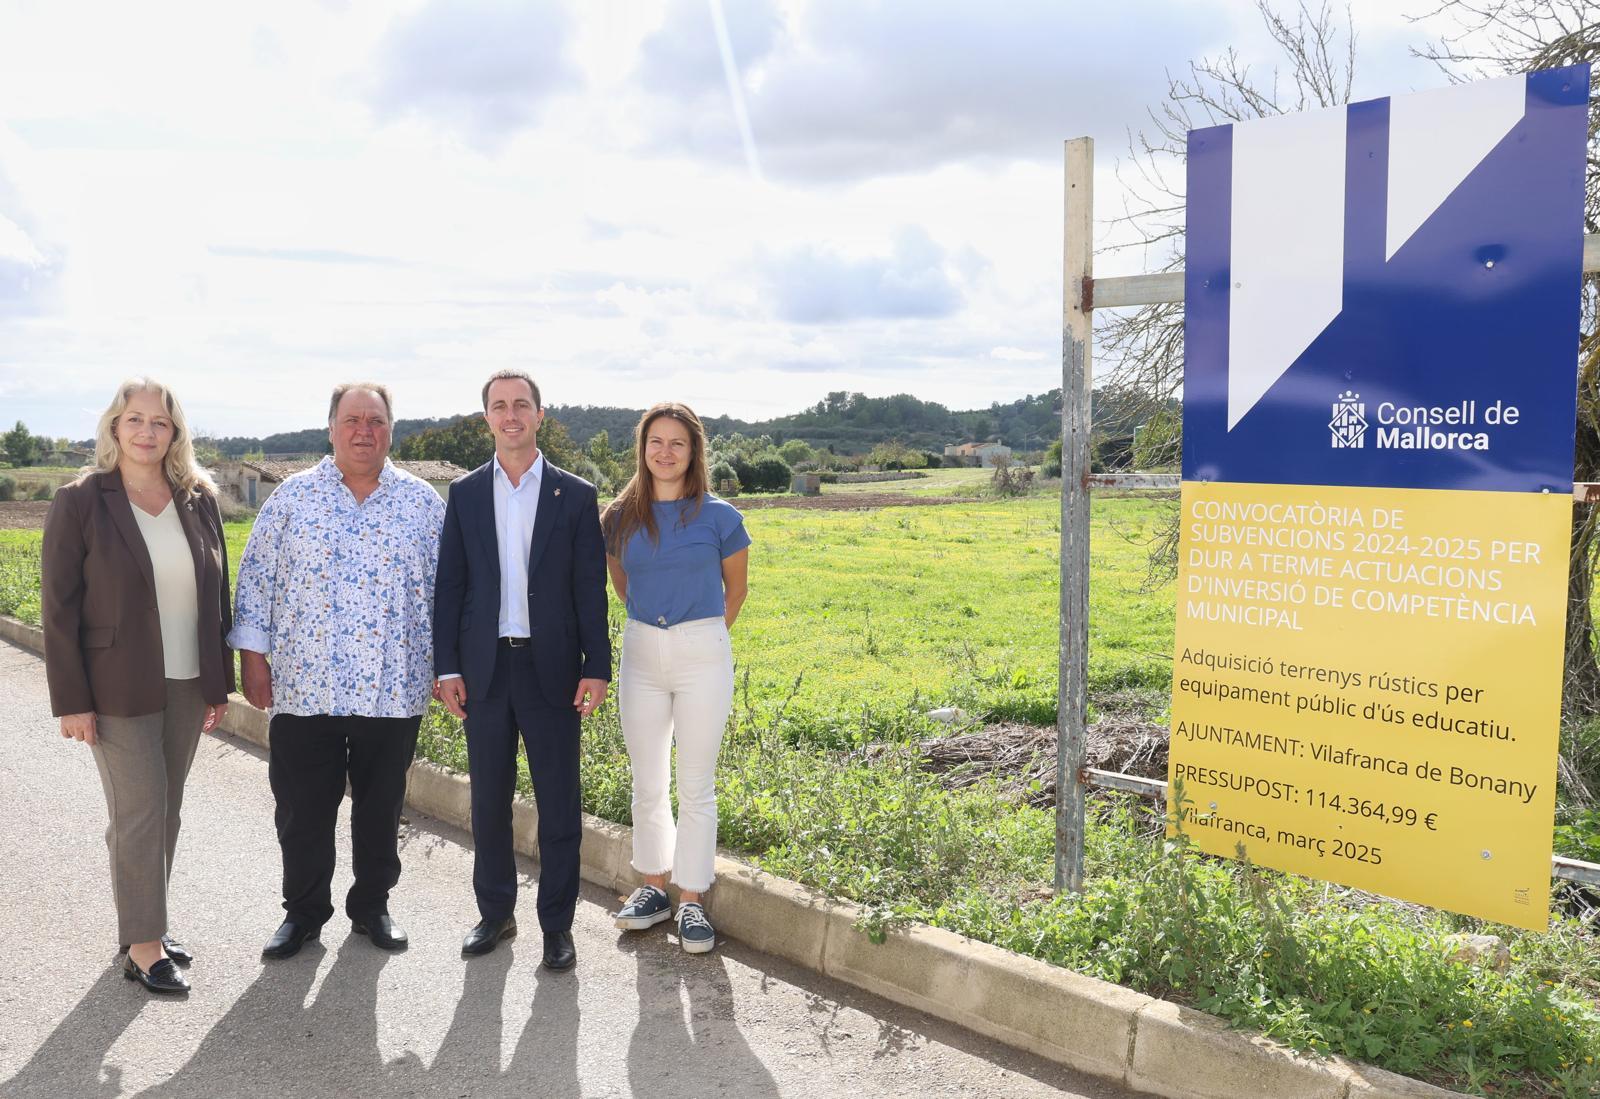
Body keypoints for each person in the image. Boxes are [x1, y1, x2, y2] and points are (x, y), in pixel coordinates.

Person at [229, 382, 444, 960]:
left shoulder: (423, 504)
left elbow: (447, 593)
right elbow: (256, 581)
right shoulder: (292, 499)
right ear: (331, 428)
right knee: (302, 810)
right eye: (352, 420)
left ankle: (372, 905)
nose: (363, 431)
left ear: (391, 430)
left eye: (376, 420)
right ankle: (302, 913)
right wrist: (253, 659)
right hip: (305, 687)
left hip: (391, 688)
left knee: (381, 808)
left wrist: (446, 667)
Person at [41, 378, 234, 994]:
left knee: (165, 808)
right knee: (141, 808)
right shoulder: (81, 500)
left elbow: (217, 595)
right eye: (135, 419)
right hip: (115, 685)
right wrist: (72, 700)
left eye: (160, 421)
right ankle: (144, 947)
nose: (147, 431)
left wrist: (217, 683)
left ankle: (145, 925)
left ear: (175, 433)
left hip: (187, 679)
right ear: (114, 427)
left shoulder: (197, 499)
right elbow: (58, 607)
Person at [433, 370, 610, 971]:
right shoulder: (465, 494)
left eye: (521, 405)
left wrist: (597, 666)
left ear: (539, 415)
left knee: (559, 804)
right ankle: (495, 914)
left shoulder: (575, 495)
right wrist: (447, 666)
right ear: (487, 417)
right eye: (499, 406)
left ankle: (557, 926)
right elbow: (451, 585)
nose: (510, 415)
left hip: (551, 669)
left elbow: (589, 589)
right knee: (489, 802)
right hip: (484, 670)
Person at [601, 402, 749, 954]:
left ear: (693, 452)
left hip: (702, 652)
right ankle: (652, 888)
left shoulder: (721, 518)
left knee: (695, 784)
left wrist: (699, 637)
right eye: (655, 442)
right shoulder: (619, 518)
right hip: (642, 651)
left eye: (677, 443)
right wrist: (658, 633)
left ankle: (691, 899)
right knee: (647, 780)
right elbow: (622, 583)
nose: (665, 452)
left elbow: (736, 590)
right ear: (642, 449)